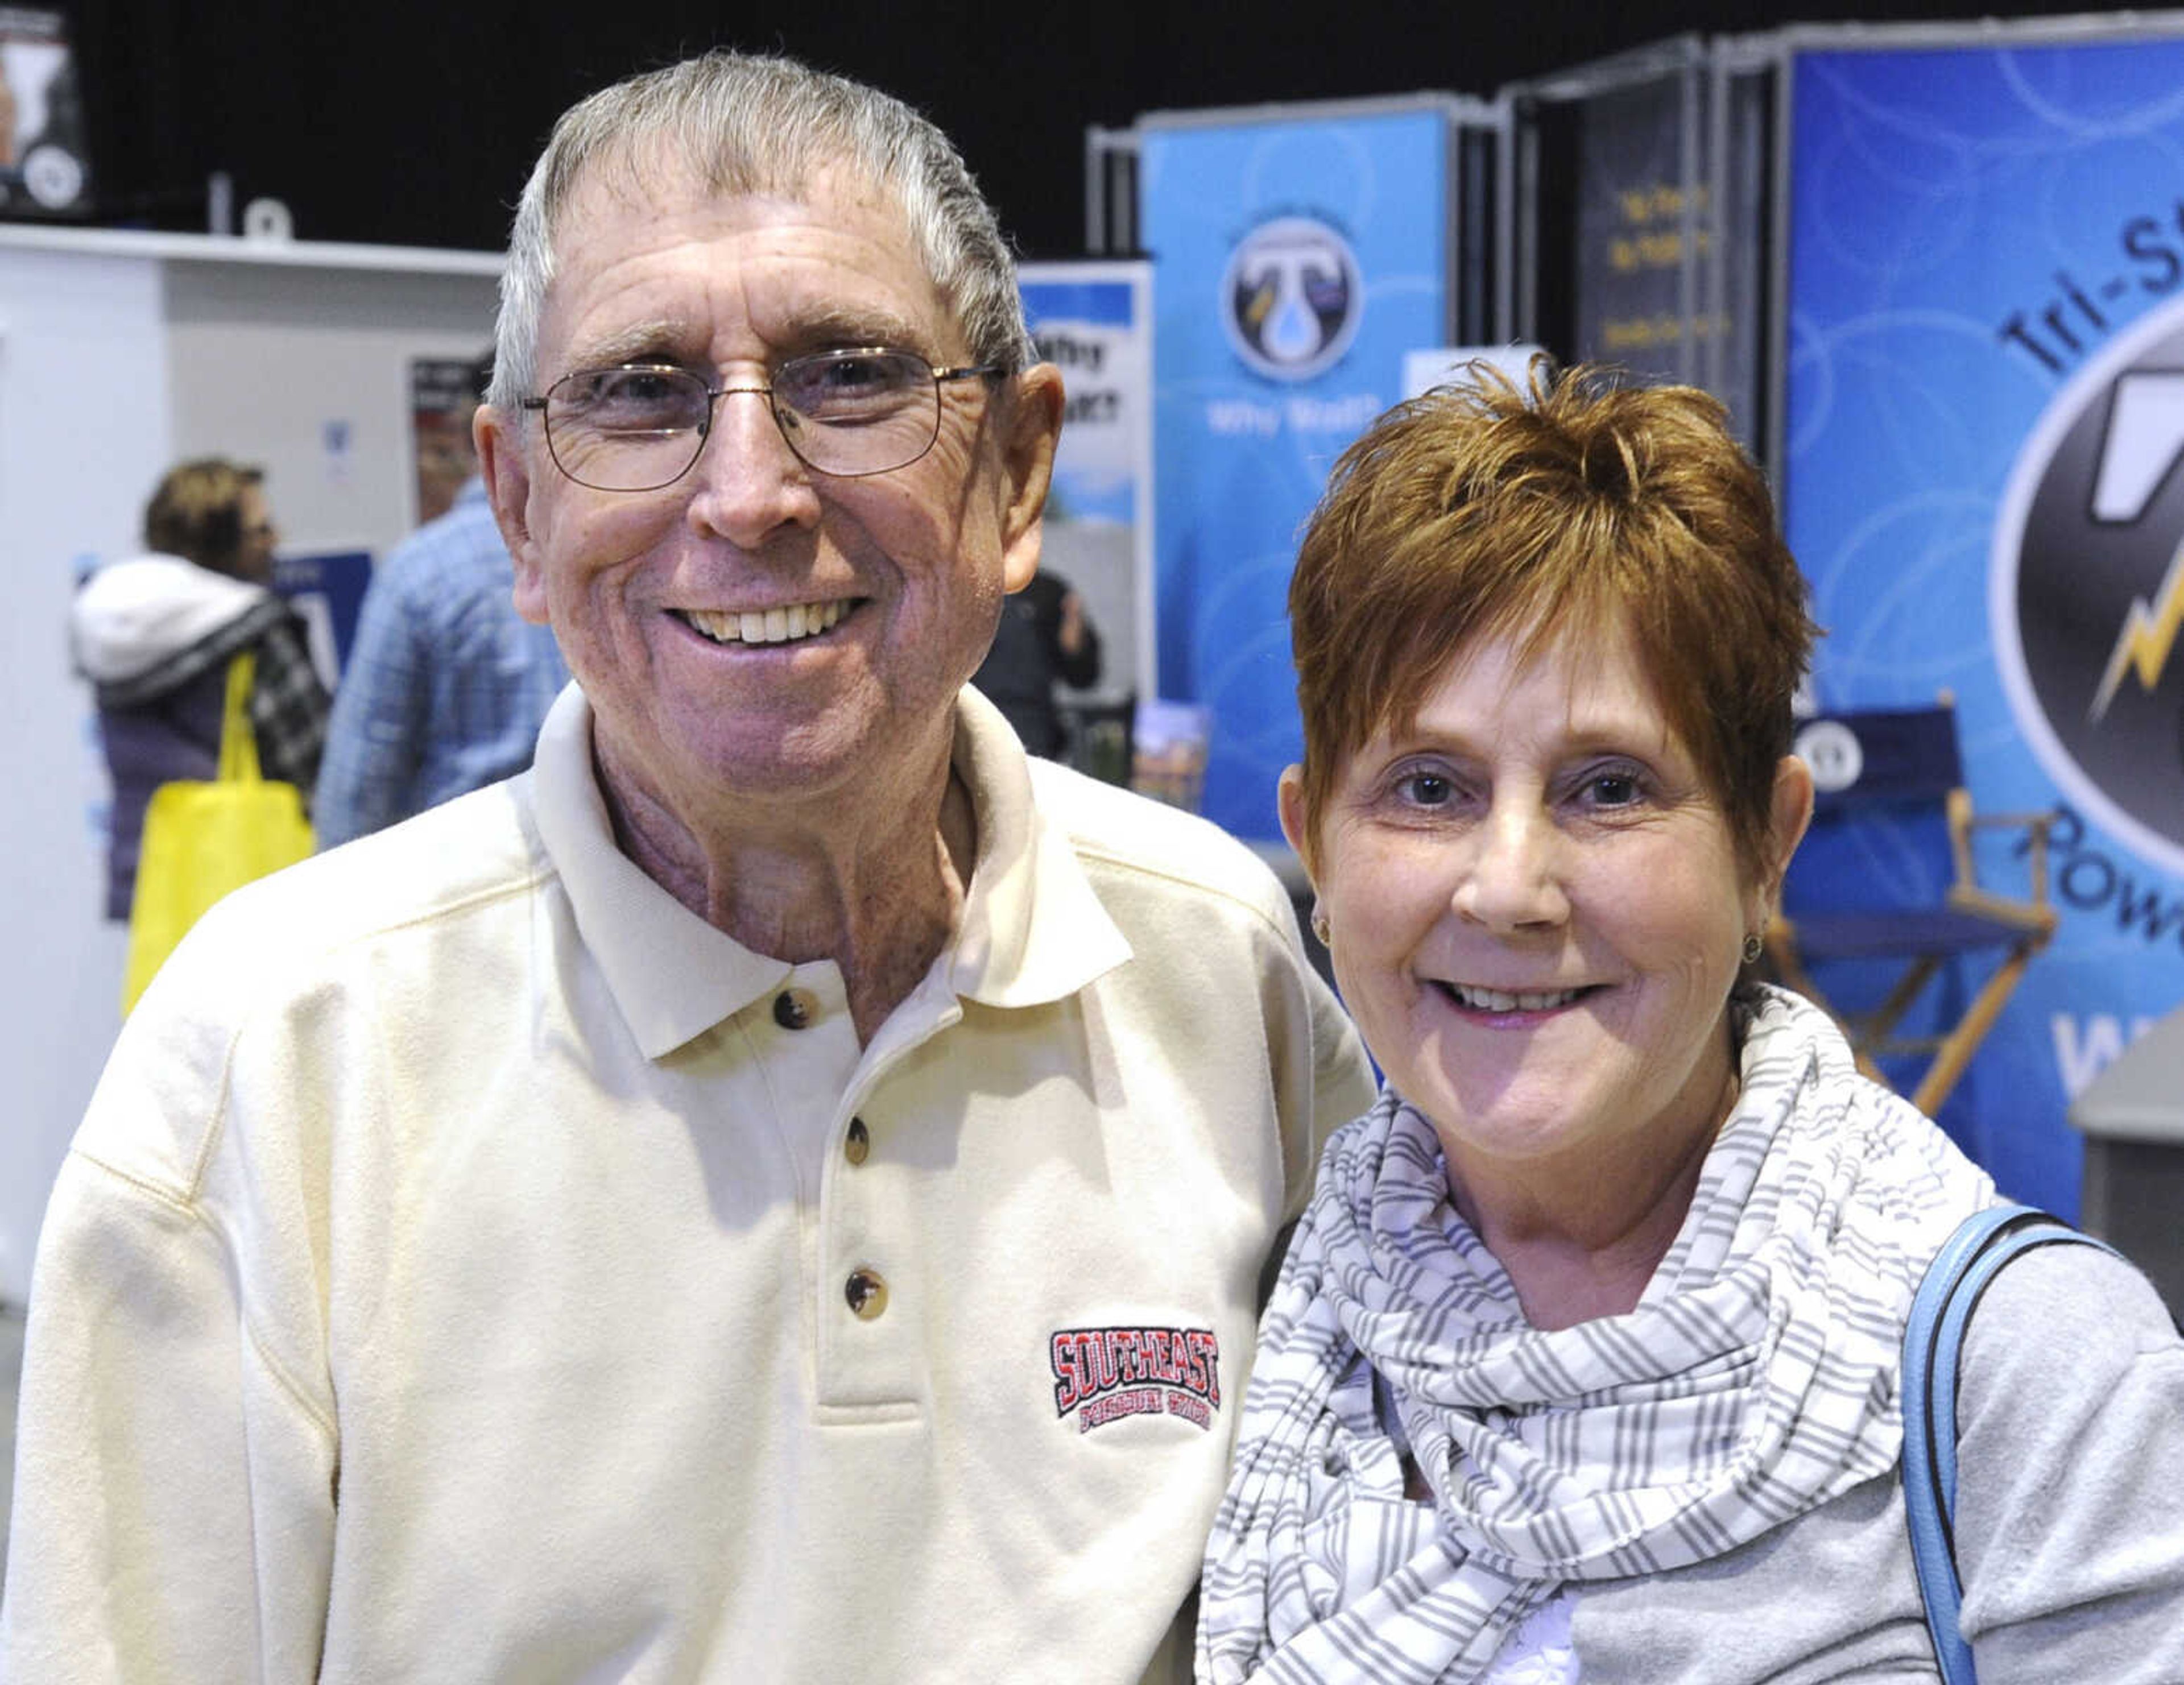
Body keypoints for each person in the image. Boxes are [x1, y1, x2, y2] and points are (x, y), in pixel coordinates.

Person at [1, 51, 1373, 1684]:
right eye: (642, 391)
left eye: (850, 374)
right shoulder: (271, 1064)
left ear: (1015, 470)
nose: (749, 490)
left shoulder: (1225, 970)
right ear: (513, 508)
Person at [1197, 365, 2184, 1682]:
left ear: (1763, 847)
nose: (1506, 886)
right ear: (1311, 843)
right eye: (1426, 788)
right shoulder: (1269, 1324)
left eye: (1606, 789)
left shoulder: (2029, 1377)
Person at [313, 353, 570, 847]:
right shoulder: (624, 550)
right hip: (615, 875)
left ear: (474, 435)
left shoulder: (421, 572)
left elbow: (361, 782)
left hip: (461, 875)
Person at [69, 457, 330, 920]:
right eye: (261, 528)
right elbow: (315, 772)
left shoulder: (112, 627)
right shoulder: (258, 633)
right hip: (253, 882)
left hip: (156, 881)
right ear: (221, 546)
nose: (276, 539)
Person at [972, 564, 1101, 757]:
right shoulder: (961, 589)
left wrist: (1075, 647)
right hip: (971, 723)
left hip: (1034, 729)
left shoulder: (1049, 592)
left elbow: (1084, 678)